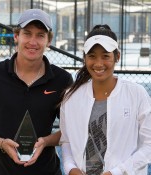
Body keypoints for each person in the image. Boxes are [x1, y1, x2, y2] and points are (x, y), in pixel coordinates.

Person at [0, 9, 73, 175]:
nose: (33, 41)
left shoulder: (62, 80)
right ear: (16, 36)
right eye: (27, 34)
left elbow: (72, 130)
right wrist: (0, 142)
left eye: (40, 35)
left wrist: (46, 141)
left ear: (48, 41)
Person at [59, 24, 151, 175]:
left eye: (105, 56)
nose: (98, 63)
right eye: (92, 56)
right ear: (85, 58)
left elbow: (149, 145)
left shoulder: (137, 94)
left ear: (117, 57)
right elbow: (66, 140)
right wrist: (71, 168)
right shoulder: (71, 97)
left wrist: (117, 172)